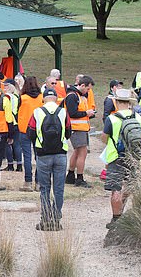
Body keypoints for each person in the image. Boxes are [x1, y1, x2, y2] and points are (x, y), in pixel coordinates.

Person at [100, 88, 141, 229]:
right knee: (131, 185)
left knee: (116, 188)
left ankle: (116, 219)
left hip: (116, 157)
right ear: (129, 102)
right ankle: (128, 211)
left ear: (116, 101)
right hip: (134, 156)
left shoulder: (112, 119)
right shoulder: (138, 118)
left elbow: (104, 138)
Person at [27, 88, 72, 231]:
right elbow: (69, 132)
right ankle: (56, 220)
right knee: (59, 189)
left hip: (43, 154)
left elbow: (30, 133)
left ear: (44, 98)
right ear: (56, 98)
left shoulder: (37, 112)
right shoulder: (63, 112)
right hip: (60, 154)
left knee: (44, 188)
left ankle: (45, 220)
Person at [64, 75, 95, 188]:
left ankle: (71, 176)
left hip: (80, 128)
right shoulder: (73, 96)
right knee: (83, 153)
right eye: (88, 89)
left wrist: (88, 114)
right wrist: (86, 113)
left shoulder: (79, 96)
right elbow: (72, 113)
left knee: (77, 152)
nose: (88, 91)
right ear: (82, 85)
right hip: (77, 128)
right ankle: (79, 178)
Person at [17, 76, 44, 191]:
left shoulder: (22, 98)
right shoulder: (42, 98)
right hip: (38, 129)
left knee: (27, 157)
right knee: (39, 156)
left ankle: (28, 182)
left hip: (24, 129)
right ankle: (38, 182)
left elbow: (16, 111)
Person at [2, 79, 21, 171]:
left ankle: (10, 165)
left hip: (8, 121)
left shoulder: (6, 97)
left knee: (7, 144)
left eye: (5, 85)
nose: (4, 87)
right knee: (17, 144)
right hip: (16, 122)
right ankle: (19, 165)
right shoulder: (17, 96)